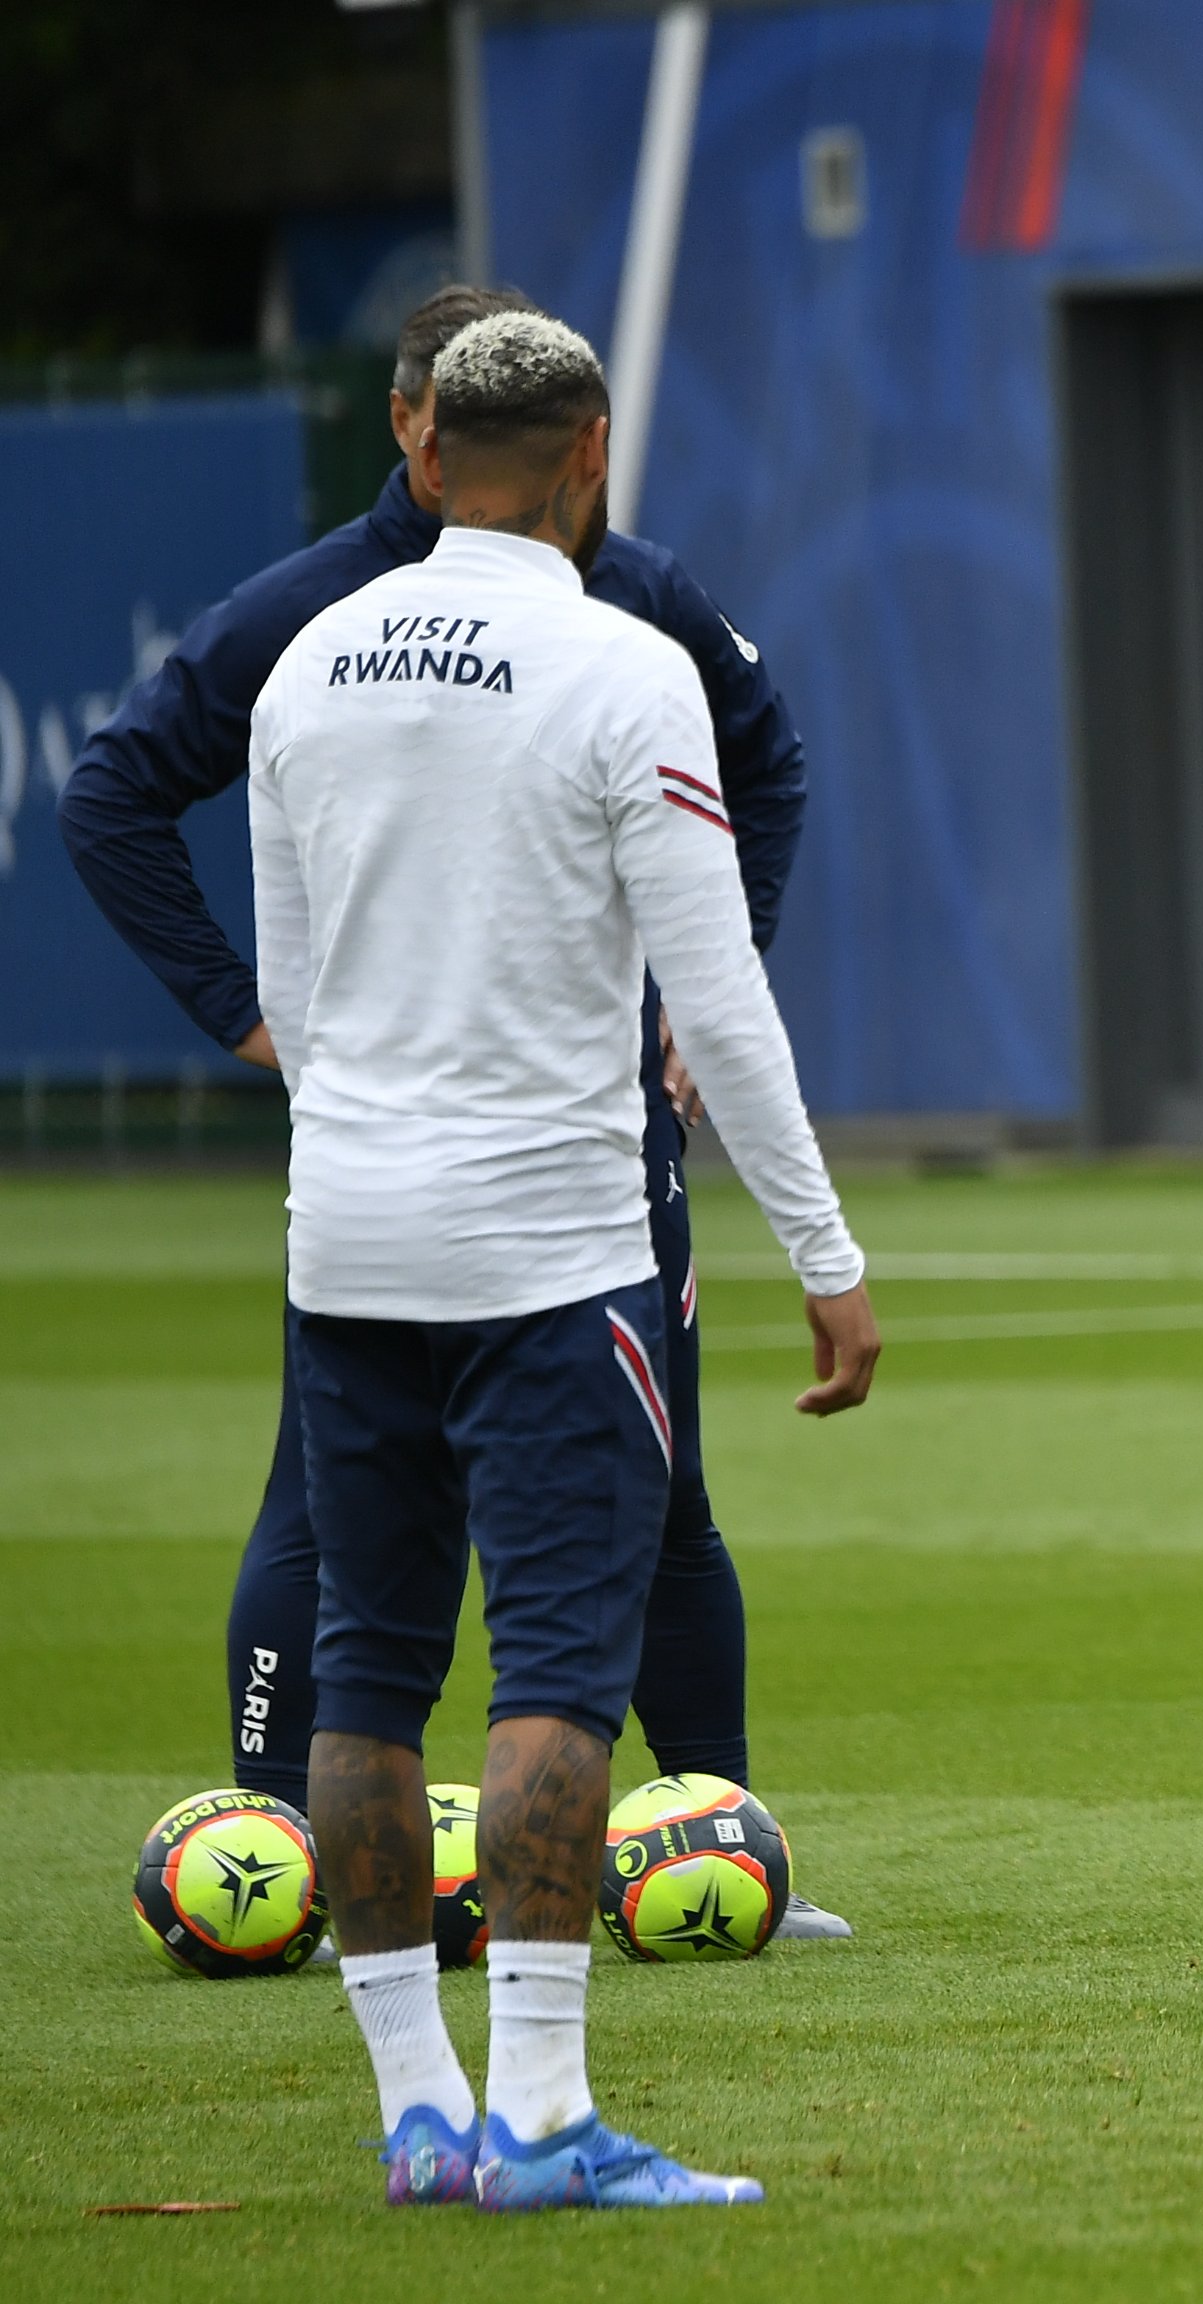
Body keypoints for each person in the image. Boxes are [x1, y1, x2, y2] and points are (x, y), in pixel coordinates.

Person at [57, 286, 843, 1937]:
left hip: (514, 1147)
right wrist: (247, 1017)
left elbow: (764, 763)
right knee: (351, 1531)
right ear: (415, 428)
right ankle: (274, 1848)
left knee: (661, 1490)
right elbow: (118, 789)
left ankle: (706, 1817)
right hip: (489, 1175)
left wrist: (699, 986)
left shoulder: (626, 605)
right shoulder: (325, 613)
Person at [252, 311, 877, 2210]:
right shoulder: (626, 668)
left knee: (367, 1678)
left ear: (427, 446)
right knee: (550, 1682)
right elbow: (722, 1003)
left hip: (342, 1244)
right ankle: (540, 2118)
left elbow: (288, 994)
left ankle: (414, 2120)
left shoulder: (306, 665)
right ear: (591, 454)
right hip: (548, 1251)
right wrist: (825, 1251)